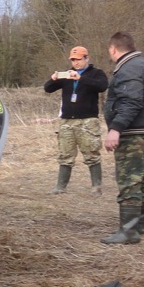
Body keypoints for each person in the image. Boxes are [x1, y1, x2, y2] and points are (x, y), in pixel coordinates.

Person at [43, 46, 109, 195]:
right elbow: (47, 88)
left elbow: (102, 86)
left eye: (78, 59)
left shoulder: (96, 73)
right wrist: (53, 79)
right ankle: (60, 187)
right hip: (66, 121)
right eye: (73, 60)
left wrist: (80, 78)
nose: (76, 63)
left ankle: (96, 186)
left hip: (87, 121)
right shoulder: (67, 75)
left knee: (92, 154)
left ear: (86, 58)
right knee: (65, 155)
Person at [101, 32, 144, 245]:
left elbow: (131, 101)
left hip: (134, 134)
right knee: (142, 180)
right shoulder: (141, 65)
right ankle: (140, 225)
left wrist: (116, 128)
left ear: (113, 49)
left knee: (130, 180)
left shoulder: (128, 69)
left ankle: (128, 231)